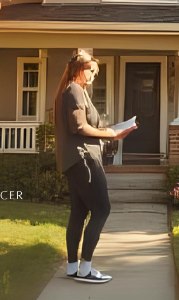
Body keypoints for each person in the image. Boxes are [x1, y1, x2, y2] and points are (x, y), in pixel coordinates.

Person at [53, 51, 136, 284]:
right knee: (102, 209)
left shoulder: (72, 91)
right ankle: (86, 269)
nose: (93, 76)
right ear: (79, 69)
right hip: (84, 161)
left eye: (96, 73)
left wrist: (114, 132)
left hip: (76, 161)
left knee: (79, 213)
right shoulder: (74, 90)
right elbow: (79, 127)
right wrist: (110, 134)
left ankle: (72, 267)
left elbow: (85, 126)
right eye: (91, 70)